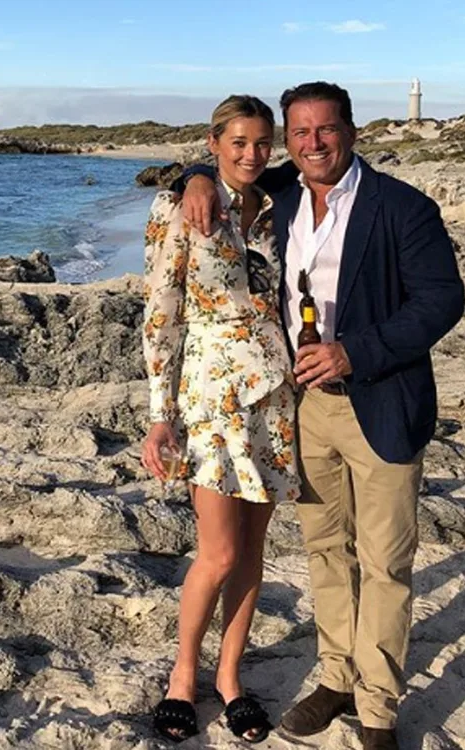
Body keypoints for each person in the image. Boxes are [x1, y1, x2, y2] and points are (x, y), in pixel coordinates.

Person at [178, 82, 465, 750]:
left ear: (352, 132)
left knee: (385, 563)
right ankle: (336, 676)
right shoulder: (278, 191)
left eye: (326, 130)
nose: (313, 143)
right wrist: (194, 173)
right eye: (299, 132)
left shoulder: (403, 207)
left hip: (381, 402)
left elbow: (441, 301)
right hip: (302, 411)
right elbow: (224, 164)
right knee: (324, 554)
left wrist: (353, 352)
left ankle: (379, 708)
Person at [141, 94, 301, 743]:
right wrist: (160, 416)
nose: (251, 154)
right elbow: (160, 313)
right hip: (209, 397)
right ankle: (183, 676)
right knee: (220, 550)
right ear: (214, 142)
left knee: (254, 552)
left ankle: (230, 679)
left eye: (263, 143)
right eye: (238, 143)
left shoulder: (280, 209)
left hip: (277, 398)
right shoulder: (182, 205)